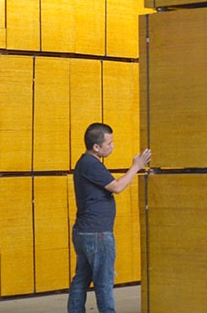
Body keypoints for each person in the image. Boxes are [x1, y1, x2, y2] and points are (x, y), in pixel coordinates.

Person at [67, 122, 152, 313]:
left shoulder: (86, 163)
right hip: (97, 234)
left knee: (81, 279)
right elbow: (117, 187)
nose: (112, 146)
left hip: (85, 232)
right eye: (109, 143)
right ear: (96, 147)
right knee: (104, 283)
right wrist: (136, 167)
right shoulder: (91, 164)